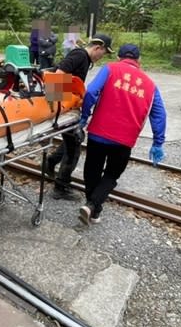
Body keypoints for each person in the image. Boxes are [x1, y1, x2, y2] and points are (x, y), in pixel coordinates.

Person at [78, 44, 167, 225]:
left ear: (119, 57)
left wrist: (84, 116)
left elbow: (91, 92)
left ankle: (92, 207)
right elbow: (159, 114)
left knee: (92, 170)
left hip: (98, 133)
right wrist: (158, 142)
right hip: (124, 140)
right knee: (112, 174)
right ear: (138, 60)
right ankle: (93, 207)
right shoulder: (150, 85)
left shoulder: (110, 69)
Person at [45, 34, 114, 201]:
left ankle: (50, 162)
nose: (101, 57)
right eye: (103, 53)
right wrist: (61, 106)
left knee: (72, 140)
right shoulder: (79, 55)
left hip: (66, 107)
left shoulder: (83, 59)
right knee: (74, 145)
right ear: (98, 48)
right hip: (62, 108)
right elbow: (58, 75)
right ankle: (60, 187)